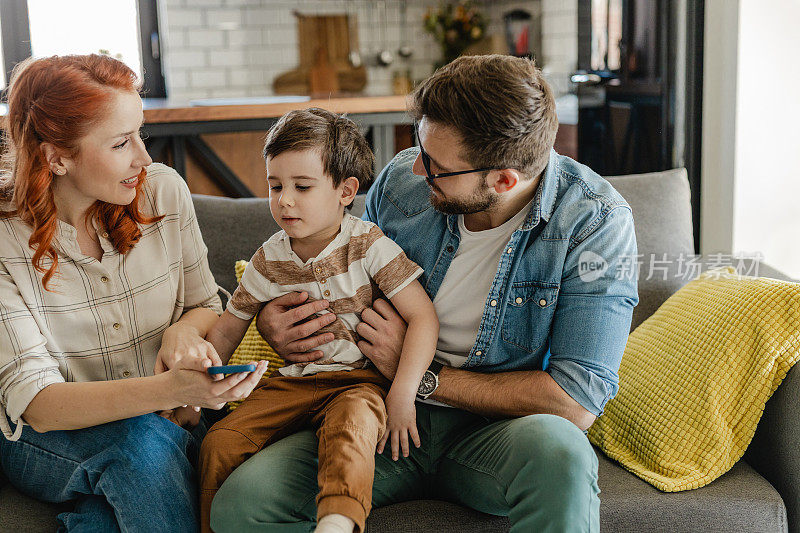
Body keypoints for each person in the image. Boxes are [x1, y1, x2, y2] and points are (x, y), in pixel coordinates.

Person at [213, 55, 639, 532]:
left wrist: (420, 377)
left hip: (493, 433)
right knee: (241, 505)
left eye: (437, 167)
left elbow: (574, 400)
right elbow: (338, 267)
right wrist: (273, 319)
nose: (416, 168)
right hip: (370, 407)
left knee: (562, 454)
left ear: (503, 180)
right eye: (420, 146)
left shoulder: (593, 222)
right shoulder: (402, 182)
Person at [0, 54, 267, 532]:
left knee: (115, 501)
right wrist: (171, 391)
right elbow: (38, 404)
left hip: (160, 418)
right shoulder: (5, 239)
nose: (144, 157)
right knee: (141, 442)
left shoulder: (162, 191)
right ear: (56, 158)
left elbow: (205, 302)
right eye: (122, 143)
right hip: (41, 437)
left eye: (139, 134)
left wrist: (182, 333)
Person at [199, 108, 438, 533]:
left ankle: (337, 524)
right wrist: (192, 394)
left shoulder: (368, 245)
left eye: (302, 187)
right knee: (219, 441)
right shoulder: (268, 259)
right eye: (275, 186)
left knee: (351, 429)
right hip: (292, 384)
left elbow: (422, 317)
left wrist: (402, 395)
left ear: (345, 191)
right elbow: (226, 329)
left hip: (359, 382)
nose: (284, 200)